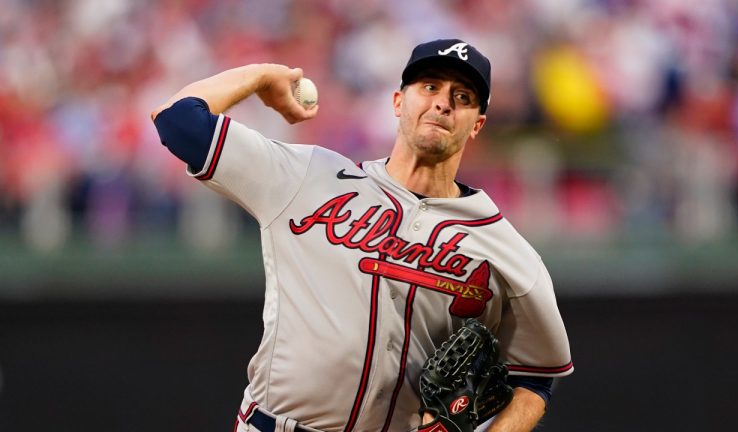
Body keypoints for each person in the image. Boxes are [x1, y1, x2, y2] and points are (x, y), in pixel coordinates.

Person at [151, 39, 573, 432]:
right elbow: (177, 120)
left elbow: (535, 380)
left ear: (477, 124)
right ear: (397, 101)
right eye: (429, 87)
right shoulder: (308, 178)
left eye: (462, 97)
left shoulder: (507, 251)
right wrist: (262, 75)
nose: (443, 103)